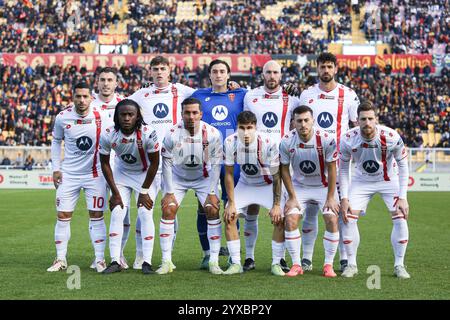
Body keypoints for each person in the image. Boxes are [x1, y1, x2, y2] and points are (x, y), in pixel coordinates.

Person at [128, 56, 196, 269]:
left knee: (170, 208)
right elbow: (122, 106)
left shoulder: (183, 91)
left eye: (162, 68)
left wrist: (232, 86)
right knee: (143, 209)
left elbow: (207, 96)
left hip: (175, 163)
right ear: (150, 72)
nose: (159, 72)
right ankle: (140, 255)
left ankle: (168, 254)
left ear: (170, 70)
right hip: (149, 164)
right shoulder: (141, 94)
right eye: (155, 69)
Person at [298, 52, 360, 273]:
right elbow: (297, 123)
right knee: (312, 210)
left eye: (329, 67)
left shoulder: (348, 94)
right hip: (312, 160)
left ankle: (344, 258)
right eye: (322, 67)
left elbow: (357, 124)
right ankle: (306, 258)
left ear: (336, 68)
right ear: (317, 69)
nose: (326, 71)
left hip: (340, 161)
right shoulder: (307, 95)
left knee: (342, 210)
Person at [339, 100, 410, 279]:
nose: (367, 123)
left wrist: (403, 196)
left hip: (388, 180)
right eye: (363, 119)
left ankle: (399, 265)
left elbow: (403, 165)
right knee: (347, 218)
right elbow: (343, 169)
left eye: (371, 118)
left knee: (400, 217)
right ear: (357, 120)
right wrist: (344, 198)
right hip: (361, 181)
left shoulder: (392, 136)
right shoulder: (347, 139)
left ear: (376, 119)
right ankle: (351, 264)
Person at [243, 60, 301, 274]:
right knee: (252, 208)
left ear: (281, 74)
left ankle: (281, 258)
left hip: (283, 162)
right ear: (263, 74)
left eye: (276, 72)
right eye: (268, 72)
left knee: (282, 212)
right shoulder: (251, 96)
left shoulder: (292, 99)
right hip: (255, 160)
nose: (272, 76)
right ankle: (249, 257)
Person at [190, 59, 247, 269]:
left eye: (222, 71)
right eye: (214, 71)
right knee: (204, 207)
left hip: (233, 160)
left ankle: (234, 255)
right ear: (209, 75)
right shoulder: (198, 95)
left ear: (229, 75)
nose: (218, 75)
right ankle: (207, 254)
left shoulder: (241, 94)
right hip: (207, 160)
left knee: (233, 206)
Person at [156, 97, 223, 275]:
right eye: (187, 112)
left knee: (212, 209)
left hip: (204, 177)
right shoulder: (172, 133)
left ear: (201, 114)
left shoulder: (213, 133)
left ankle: (214, 261)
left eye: (195, 113)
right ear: (182, 114)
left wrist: (211, 192)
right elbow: (167, 164)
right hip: (178, 177)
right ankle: (166, 261)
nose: (191, 116)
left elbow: (216, 164)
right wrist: (169, 192)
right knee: (168, 208)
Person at [47, 82, 108, 273]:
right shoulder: (63, 117)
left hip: (95, 175)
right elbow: (56, 141)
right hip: (69, 175)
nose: (81, 100)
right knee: (63, 216)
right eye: (78, 96)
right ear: (72, 97)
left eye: (85, 96)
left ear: (91, 97)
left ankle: (99, 259)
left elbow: (111, 141)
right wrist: (56, 168)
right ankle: (60, 259)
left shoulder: (102, 115)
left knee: (96, 216)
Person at [99, 99, 160, 275]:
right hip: (122, 175)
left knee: (145, 212)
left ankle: (146, 262)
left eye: (130, 114)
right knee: (118, 212)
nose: (126, 118)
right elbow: (105, 164)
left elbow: (155, 163)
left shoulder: (148, 132)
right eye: (123, 115)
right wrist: (114, 193)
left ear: (137, 116)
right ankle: (115, 261)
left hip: (145, 175)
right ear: (117, 117)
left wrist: (144, 191)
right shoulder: (109, 134)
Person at [280, 106, 340, 277]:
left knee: (332, 219)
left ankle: (328, 265)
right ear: (294, 123)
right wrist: (291, 196)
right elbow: (284, 170)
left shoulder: (327, 139)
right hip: (300, 188)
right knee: (290, 220)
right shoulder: (286, 140)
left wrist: (330, 197)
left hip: (323, 187)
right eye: (299, 121)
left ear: (313, 121)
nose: (303, 124)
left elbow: (332, 169)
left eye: (306, 120)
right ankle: (297, 264)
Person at [223, 111, 285, 275]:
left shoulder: (269, 142)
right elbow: (228, 174)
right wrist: (232, 203)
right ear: (237, 127)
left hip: (267, 185)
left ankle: (276, 263)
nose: (246, 132)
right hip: (246, 184)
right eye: (242, 128)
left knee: (280, 218)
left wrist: (277, 204)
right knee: (229, 216)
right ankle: (237, 262)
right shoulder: (230, 141)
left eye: (249, 127)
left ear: (255, 127)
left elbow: (276, 175)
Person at [91, 67, 129, 270]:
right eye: (102, 79)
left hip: (121, 165)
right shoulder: (88, 104)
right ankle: (98, 256)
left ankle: (119, 253)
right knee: (96, 212)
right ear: (97, 82)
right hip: (95, 166)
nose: (106, 83)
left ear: (116, 83)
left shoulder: (124, 104)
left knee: (122, 211)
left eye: (110, 80)